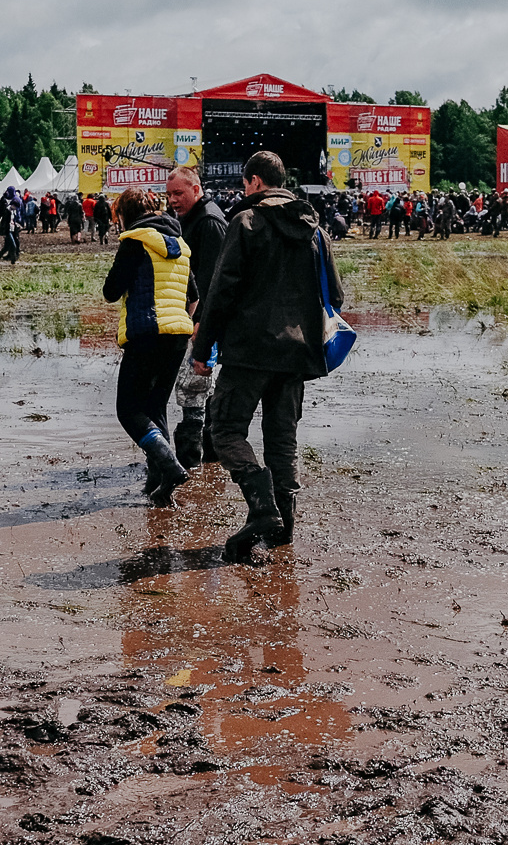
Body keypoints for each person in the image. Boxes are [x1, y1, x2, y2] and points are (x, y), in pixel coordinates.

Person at [189, 150, 343, 563]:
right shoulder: (315, 231)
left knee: (224, 430)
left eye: (245, 184)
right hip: (298, 353)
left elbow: (221, 291)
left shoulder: (246, 221)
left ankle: (262, 508)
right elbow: (336, 296)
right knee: (282, 440)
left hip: (249, 351)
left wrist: (202, 350)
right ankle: (283, 529)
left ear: (254, 182)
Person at [102, 188, 195, 506]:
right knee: (155, 408)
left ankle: (169, 466)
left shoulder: (134, 241)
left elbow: (111, 291)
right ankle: (159, 485)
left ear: (124, 215)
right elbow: (194, 295)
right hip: (178, 335)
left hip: (146, 333)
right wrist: (180, 323)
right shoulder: (180, 244)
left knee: (129, 411)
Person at [166, 165, 230, 466]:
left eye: (178, 193)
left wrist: (201, 322)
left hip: (205, 318)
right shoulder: (192, 218)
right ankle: (208, 459)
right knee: (201, 386)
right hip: (197, 314)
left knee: (195, 385)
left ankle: (193, 461)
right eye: (169, 194)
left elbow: (214, 279)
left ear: (196, 189)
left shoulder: (209, 221)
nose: (172, 200)